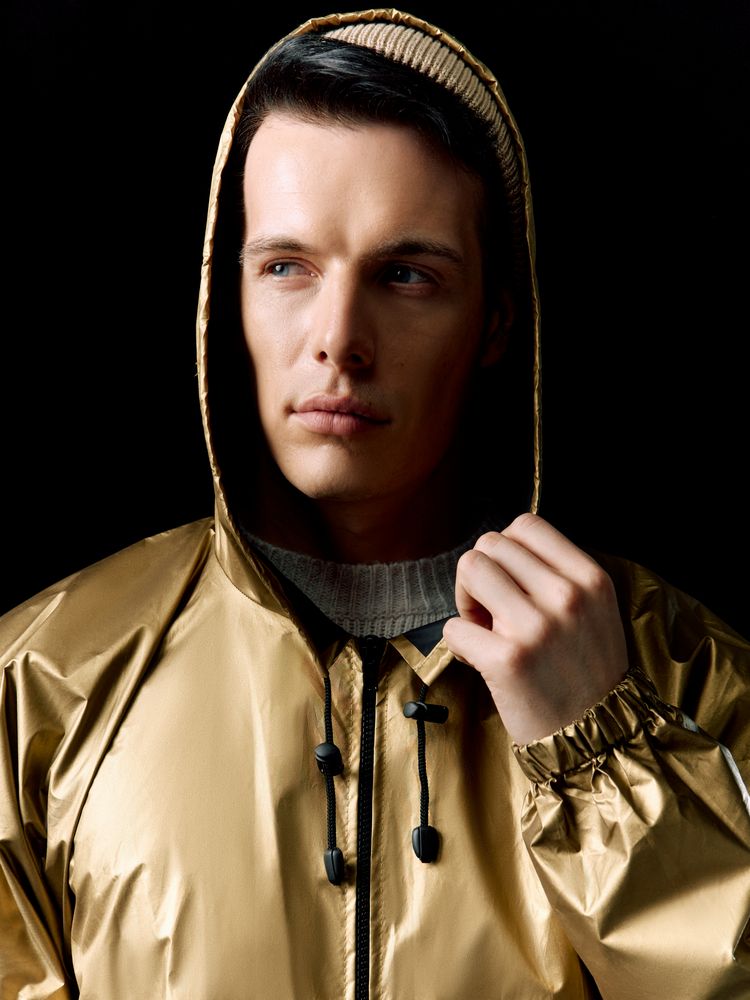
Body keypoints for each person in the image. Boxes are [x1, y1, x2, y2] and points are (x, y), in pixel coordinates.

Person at [1, 8, 749, 999]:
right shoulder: (42, 682)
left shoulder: (688, 676)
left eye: (405, 275)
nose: (339, 339)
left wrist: (602, 754)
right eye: (286, 268)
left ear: (495, 322)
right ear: (227, 299)